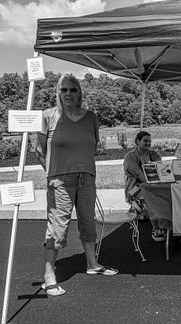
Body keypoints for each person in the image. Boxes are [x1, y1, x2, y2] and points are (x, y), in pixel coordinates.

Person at [34, 74, 118, 297]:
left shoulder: (91, 117)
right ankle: (49, 275)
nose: (68, 94)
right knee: (58, 226)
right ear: (58, 93)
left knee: (88, 221)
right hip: (60, 179)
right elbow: (39, 151)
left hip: (87, 177)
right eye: (64, 90)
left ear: (80, 93)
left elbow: (93, 146)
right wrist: (52, 174)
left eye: (73, 90)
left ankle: (92, 263)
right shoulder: (47, 116)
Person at [123, 131, 165, 242]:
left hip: (153, 184)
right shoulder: (130, 156)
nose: (148, 143)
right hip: (135, 187)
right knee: (151, 196)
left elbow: (161, 171)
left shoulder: (154, 154)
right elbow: (138, 174)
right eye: (145, 141)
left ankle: (165, 222)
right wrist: (153, 185)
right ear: (137, 141)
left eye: (150, 141)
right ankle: (156, 228)